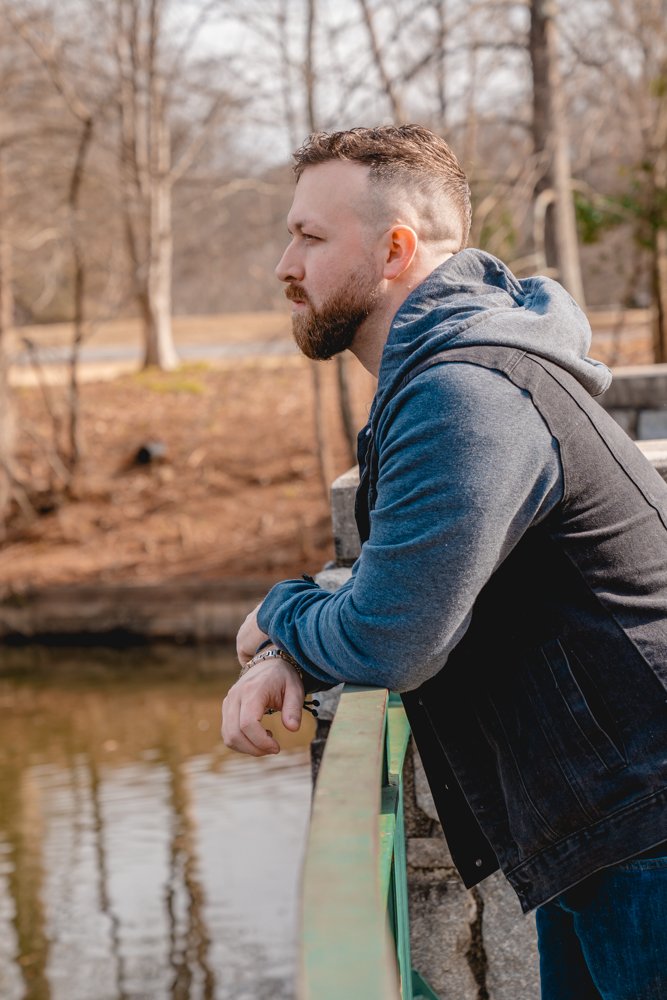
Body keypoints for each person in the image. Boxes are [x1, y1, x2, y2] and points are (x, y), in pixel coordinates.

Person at [221, 125, 667, 999]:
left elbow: (393, 637)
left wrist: (278, 615)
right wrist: (301, 635)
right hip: (604, 829)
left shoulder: (467, 393)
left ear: (394, 250)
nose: (284, 264)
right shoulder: (454, 376)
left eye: (309, 237)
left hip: (642, 834)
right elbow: (412, 575)